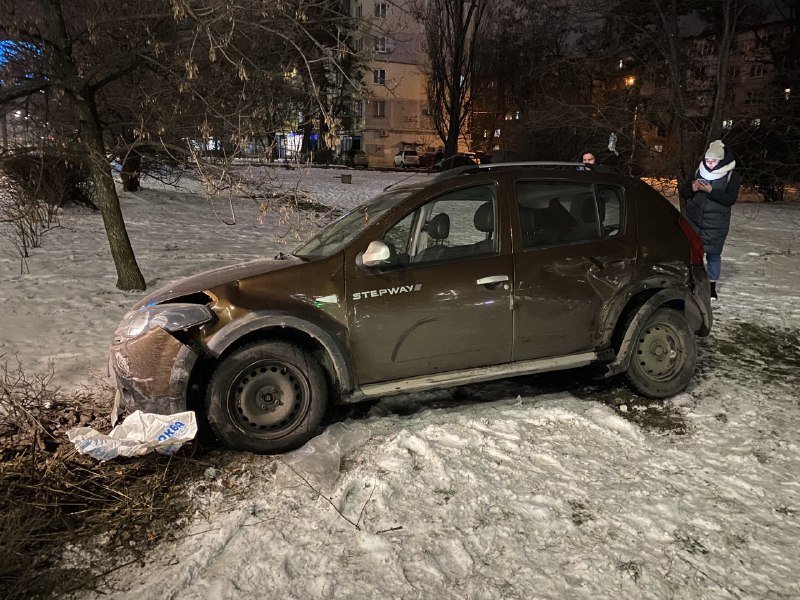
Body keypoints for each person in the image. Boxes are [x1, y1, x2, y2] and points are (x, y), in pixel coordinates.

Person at [680, 139, 740, 301]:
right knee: (691, 252)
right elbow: (684, 193)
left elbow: (730, 199)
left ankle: (711, 287)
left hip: (716, 223)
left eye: (713, 161)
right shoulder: (699, 171)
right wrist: (691, 189)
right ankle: (690, 281)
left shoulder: (731, 175)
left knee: (713, 254)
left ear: (721, 160)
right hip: (694, 219)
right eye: (707, 160)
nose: (710, 164)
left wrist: (711, 190)